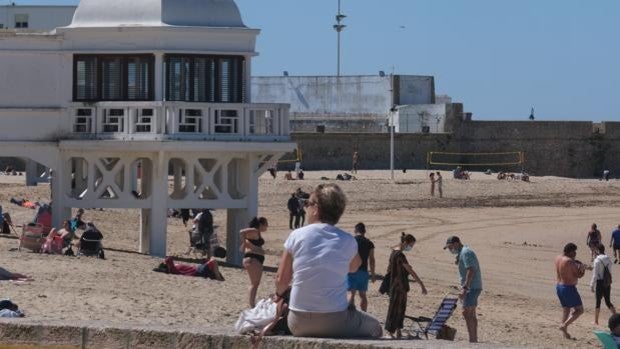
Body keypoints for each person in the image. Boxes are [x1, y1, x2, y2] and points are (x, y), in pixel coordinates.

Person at [274, 183, 382, 338]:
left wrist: (278, 296)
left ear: (316, 208)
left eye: (308, 204)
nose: (306, 208)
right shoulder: (347, 240)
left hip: (298, 322)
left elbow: (281, 280)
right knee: (375, 327)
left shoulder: (296, 235)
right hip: (334, 319)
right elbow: (354, 267)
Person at [385, 233, 427, 338]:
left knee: (400, 308)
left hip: (397, 285)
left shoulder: (393, 252)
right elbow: (410, 271)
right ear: (405, 243)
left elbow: (389, 269)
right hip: (399, 286)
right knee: (395, 308)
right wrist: (421, 284)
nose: (411, 247)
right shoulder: (400, 255)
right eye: (411, 245)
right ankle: (390, 332)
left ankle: (398, 331)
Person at [444, 235, 482, 343]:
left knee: (466, 312)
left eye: (451, 247)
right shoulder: (463, 253)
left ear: (456, 243)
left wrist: (465, 287)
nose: (450, 250)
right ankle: (473, 339)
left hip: (472, 287)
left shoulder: (466, 252)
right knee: (470, 312)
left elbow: (471, 270)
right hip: (472, 286)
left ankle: (473, 340)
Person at [555, 242, 586, 339]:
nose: (575, 254)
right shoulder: (569, 261)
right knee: (580, 310)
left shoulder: (558, 258)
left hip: (559, 287)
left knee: (566, 310)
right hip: (568, 288)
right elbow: (578, 275)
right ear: (570, 252)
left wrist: (578, 263)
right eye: (574, 252)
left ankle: (564, 333)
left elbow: (569, 265)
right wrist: (583, 269)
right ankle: (564, 326)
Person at [347, 223, 376, 312]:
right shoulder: (369, 243)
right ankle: (364, 314)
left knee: (351, 293)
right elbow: (372, 260)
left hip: (352, 270)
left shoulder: (352, 241)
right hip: (364, 271)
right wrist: (373, 274)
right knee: (363, 295)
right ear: (364, 231)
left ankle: (349, 315)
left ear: (355, 231)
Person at [241, 217, 269, 307]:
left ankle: (252, 304)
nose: (267, 226)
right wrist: (244, 243)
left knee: (255, 283)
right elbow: (241, 232)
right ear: (261, 224)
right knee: (254, 284)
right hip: (253, 259)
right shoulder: (254, 230)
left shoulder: (257, 232)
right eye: (266, 224)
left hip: (255, 259)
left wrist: (245, 243)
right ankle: (252, 305)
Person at [590, 244, 616, 325]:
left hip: (600, 282)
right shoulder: (608, 259)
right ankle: (616, 318)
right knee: (608, 301)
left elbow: (595, 274)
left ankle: (596, 321)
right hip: (607, 282)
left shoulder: (597, 260)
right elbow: (610, 272)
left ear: (598, 250)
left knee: (598, 301)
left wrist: (591, 285)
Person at [158, 256, 224, 281]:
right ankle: (218, 277)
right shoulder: (172, 269)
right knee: (213, 260)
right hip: (198, 271)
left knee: (209, 260)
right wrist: (165, 262)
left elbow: (169, 260)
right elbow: (169, 258)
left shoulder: (174, 267)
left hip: (198, 268)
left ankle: (215, 275)